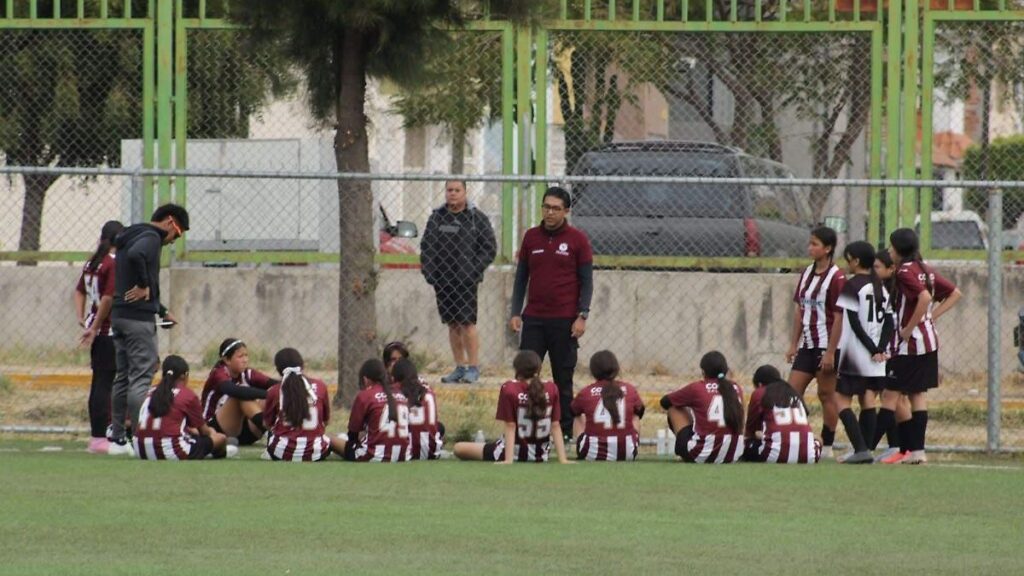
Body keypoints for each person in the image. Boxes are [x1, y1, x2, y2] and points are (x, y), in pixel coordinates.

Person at [510, 186, 594, 438]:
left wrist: (582, 315)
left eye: (556, 208)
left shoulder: (578, 240)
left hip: (564, 321)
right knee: (526, 376)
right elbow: (521, 277)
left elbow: (587, 281)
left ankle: (565, 431)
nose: (550, 212)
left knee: (563, 378)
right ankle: (525, 427)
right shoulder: (531, 237)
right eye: (546, 207)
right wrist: (516, 311)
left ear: (566, 211)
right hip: (534, 319)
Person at [107, 203, 189, 456]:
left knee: (123, 376)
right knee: (141, 377)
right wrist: (144, 284)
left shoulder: (131, 233)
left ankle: (117, 437)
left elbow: (132, 263)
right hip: (137, 320)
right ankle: (141, 436)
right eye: (177, 234)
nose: (173, 241)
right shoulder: (151, 237)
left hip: (119, 315)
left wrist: (161, 310)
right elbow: (137, 256)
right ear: (170, 222)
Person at [884, 228, 962, 464]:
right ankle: (917, 451)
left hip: (910, 344)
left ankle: (866, 446)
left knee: (890, 394)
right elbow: (955, 293)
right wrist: (930, 318)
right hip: (928, 341)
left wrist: (909, 327)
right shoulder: (925, 268)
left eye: (891, 247)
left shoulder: (904, 271)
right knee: (916, 394)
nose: (889, 251)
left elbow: (925, 297)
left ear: (899, 249)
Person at [420, 180, 497, 383]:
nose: (452, 194)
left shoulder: (476, 218)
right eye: (449, 190)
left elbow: (489, 248)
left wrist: (472, 271)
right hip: (443, 281)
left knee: (467, 323)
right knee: (452, 324)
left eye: (457, 190)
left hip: (466, 282)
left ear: (465, 192)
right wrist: (429, 272)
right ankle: (459, 367)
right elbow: (426, 246)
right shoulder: (437, 218)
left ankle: (473, 367)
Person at [785, 226, 844, 459]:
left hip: (825, 345)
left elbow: (839, 317)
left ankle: (827, 444)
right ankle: (798, 437)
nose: (810, 248)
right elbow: (800, 310)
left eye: (815, 244)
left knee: (826, 395)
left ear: (827, 248)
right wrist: (793, 344)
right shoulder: (807, 273)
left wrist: (831, 352)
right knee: (790, 393)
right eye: (809, 243)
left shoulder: (836, 277)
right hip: (808, 345)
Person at [833, 241, 895, 464]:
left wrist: (871, 348)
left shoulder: (852, 285)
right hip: (875, 358)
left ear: (856, 261)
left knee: (840, 400)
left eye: (848, 258)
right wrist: (880, 348)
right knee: (868, 400)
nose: (847, 263)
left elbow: (854, 323)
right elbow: (889, 322)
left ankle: (860, 448)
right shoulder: (880, 287)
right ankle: (866, 449)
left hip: (856, 354)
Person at [453, 350, 571, 464]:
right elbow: (555, 425)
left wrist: (508, 459)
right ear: (539, 369)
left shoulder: (509, 388)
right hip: (540, 454)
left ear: (517, 370)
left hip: (512, 451)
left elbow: (510, 426)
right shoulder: (551, 388)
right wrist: (563, 459)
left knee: (459, 448)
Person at [73, 220, 124, 454]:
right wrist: (95, 327)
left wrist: (82, 317)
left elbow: (79, 291)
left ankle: (101, 435)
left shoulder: (92, 262)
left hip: (98, 328)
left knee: (100, 381)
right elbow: (107, 298)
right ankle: (100, 437)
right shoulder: (112, 263)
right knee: (105, 383)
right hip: (108, 331)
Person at [133, 355, 230, 460]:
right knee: (221, 439)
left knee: (192, 434)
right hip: (171, 449)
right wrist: (213, 433)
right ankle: (211, 454)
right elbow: (204, 431)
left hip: (139, 449)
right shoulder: (187, 395)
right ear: (184, 375)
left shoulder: (151, 391)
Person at [659, 351, 745, 464]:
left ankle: (683, 450)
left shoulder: (697, 388)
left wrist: (690, 405)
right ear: (726, 370)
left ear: (703, 372)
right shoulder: (736, 388)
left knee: (674, 408)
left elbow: (665, 402)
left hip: (700, 454)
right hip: (733, 455)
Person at [869, 249, 913, 462]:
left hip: (896, 352)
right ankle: (901, 447)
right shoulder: (880, 290)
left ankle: (867, 447)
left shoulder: (897, 292)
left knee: (893, 398)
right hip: (888, 351)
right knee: (896, 401)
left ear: (891, 269)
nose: (873, 270)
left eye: (877, 267)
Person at [263, 348, 345, 462]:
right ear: (302, 365)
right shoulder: (320, 386)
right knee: (332, 438)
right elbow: (325, 421)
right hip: (315, 453)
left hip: (281, 452)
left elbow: (267, 424)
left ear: (278, 370)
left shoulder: (274, 391)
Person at [570, 350, 645, 461]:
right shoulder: (630, 389)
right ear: (616, 368)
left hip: (591, 453)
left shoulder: (586, 392)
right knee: (635, 415)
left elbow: (573, 411)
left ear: (593, 371)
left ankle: (584, 445)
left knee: (578, 415)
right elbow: (640, 411)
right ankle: (633, 444)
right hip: (626, 453)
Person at [201, 338, 276, 446]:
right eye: (240, 356)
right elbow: (233, 390)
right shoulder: (218, 374)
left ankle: (279, 432)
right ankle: (273, 432)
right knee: (240, 395)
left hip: (241, 431)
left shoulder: (247, 373)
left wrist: (291, 386)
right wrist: (269, 394)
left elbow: (274, 384)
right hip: (214, 429)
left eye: (246, 355)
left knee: (273, 394)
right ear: (227, 360)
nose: (245, 360)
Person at [338, 359, 411, 462]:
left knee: (332, 440)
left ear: (365, 380)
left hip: (374, 455)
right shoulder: (400, 395)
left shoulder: (365, 395)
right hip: (403, 455)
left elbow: (353, 434)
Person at [743, 378, 820, 464]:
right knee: (818, 440)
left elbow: (753, 431)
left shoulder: (765, 397)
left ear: (760, 385)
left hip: (774, 455)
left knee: (749, 444)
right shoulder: (796, 397)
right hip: (809, 456)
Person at [391, 358, 445, 460]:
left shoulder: (395, 392)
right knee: (439, 426)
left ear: (394, 378)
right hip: (431, 452)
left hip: (406, 452)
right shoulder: (428, 390)